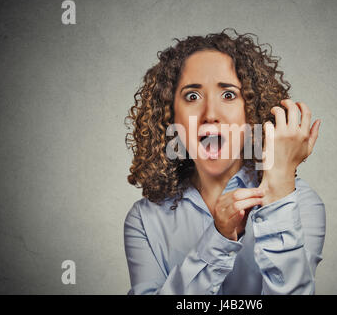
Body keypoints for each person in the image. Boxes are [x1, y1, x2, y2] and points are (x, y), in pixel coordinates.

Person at [124, 28, 325, 295]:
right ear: (171, 115)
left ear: (251, 112)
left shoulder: (301, 205)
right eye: (192, 96)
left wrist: (278, 186)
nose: (210, 114)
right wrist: (218, 238)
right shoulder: (144, 219)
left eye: (229, 95)